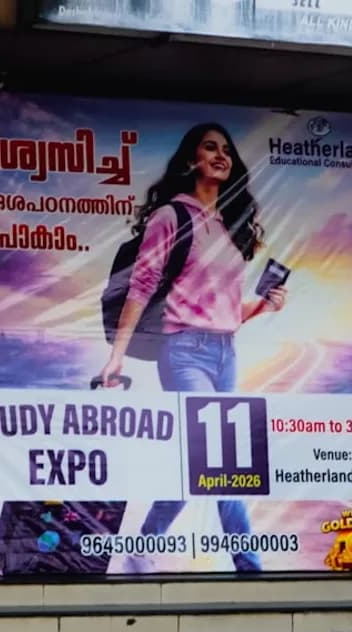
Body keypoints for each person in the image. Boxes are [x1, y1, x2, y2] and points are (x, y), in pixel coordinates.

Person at [98, 122, 287, 571]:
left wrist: (262, 307)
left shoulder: (228, 227)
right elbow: (140, 289)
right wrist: (116, 355)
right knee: (224, 463)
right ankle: (251, 568)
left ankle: (144, 544)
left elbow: (221, 310)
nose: (221, 155)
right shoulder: (171, 217)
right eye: (210, 147)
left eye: (227, 149)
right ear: (191, 160)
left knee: (198, 465)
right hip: (183, 353)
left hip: (226, 354)